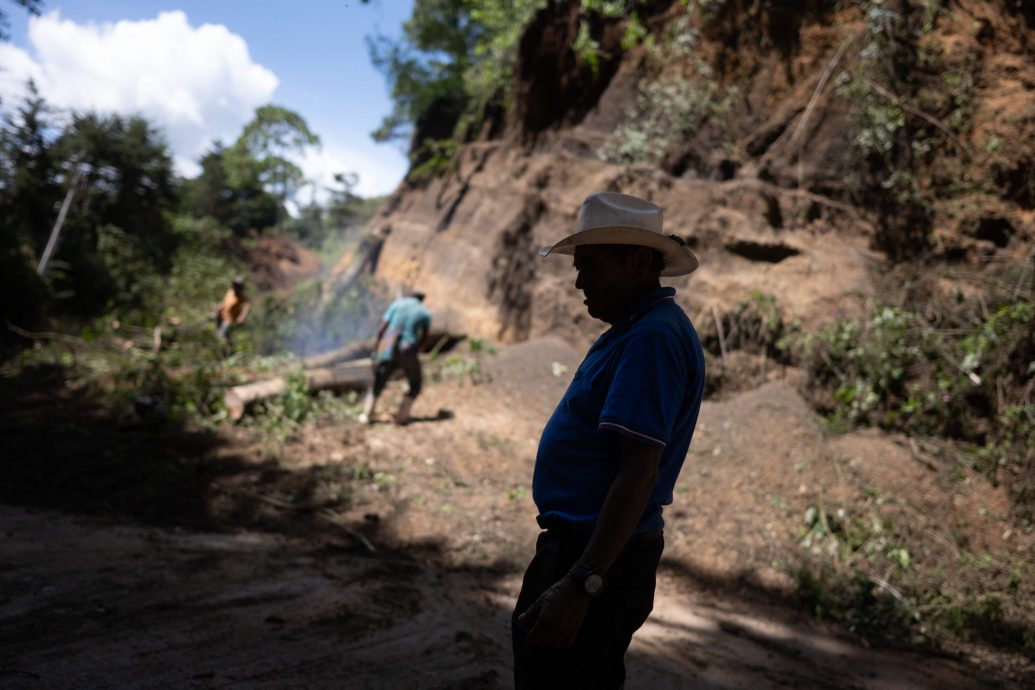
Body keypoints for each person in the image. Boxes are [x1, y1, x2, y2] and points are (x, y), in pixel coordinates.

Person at [512, 191, 706, 689]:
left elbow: (638, 471)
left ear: (638, 263)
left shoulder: (651, 339)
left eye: (591, 266)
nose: (578, 282)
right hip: (590, 552)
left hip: (593, 556)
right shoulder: (639, 329)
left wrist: (581, 582)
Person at [357, 288, 432, 425]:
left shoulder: (397, 304)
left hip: (388, 346)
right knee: (415, 384)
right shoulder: (424, 312)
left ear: (410, 295)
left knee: (379, 380)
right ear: (422, 299)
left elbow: (382, 328)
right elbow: (424, 338)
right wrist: (417, 351)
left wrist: (376, 350)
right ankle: (402, 416)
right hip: (407, 349)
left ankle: (366, 414)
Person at [213, 276, 250, 355]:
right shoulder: (230, 292)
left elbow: (246, 309)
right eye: (235, 285)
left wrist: (242, 318)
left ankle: (225, 354)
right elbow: (224, 303)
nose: (236, 287)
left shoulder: (242, 298)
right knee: (225, 337)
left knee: (220, 335)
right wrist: (217, 310)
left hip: (229, 320)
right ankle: (228, 353)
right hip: (220, 317)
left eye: (238, 286)